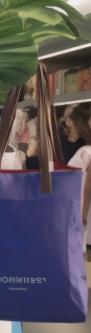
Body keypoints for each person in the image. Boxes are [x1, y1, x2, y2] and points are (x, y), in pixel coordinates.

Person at [65, 103, 91, 256]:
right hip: (73, 206)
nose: (71, 126)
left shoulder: (86, 152)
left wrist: (83, 216)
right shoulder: (83, 150)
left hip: (78, 208)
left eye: (73, 122)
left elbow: (87, 188)